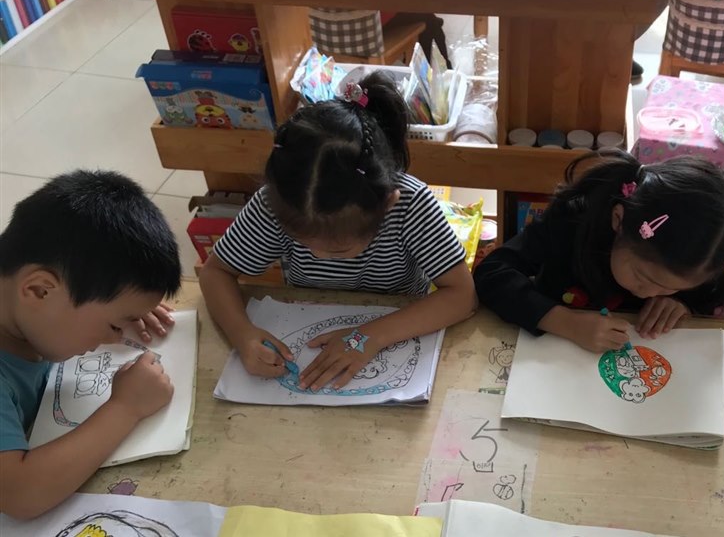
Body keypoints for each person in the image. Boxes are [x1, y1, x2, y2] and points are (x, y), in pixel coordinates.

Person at [200, 72, 476, 392]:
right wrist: (242, 334)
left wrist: (367, 337)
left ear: (387, 205)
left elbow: (463, 296)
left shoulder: (411, 205)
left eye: (339, 250)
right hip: (307, 322)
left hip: (400, 327)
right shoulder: (278, 201)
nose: (316, 254)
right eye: (301, 240)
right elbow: (215, 273)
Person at [0, 170, 182, 519]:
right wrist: (126, 407)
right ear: (39, 290)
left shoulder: (28, 301)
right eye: (114, 325)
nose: (117, 337)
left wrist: (125, 306)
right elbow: (18, 495)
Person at [474, 150, 724, 353]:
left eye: (670, 288)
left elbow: (712, 295)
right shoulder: (573, 221)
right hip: (551, 353)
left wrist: (684, 304)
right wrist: (564, 322)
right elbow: (491, 273)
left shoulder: (707, 255)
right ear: (618, 220)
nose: (649, 293)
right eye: (642, 277)